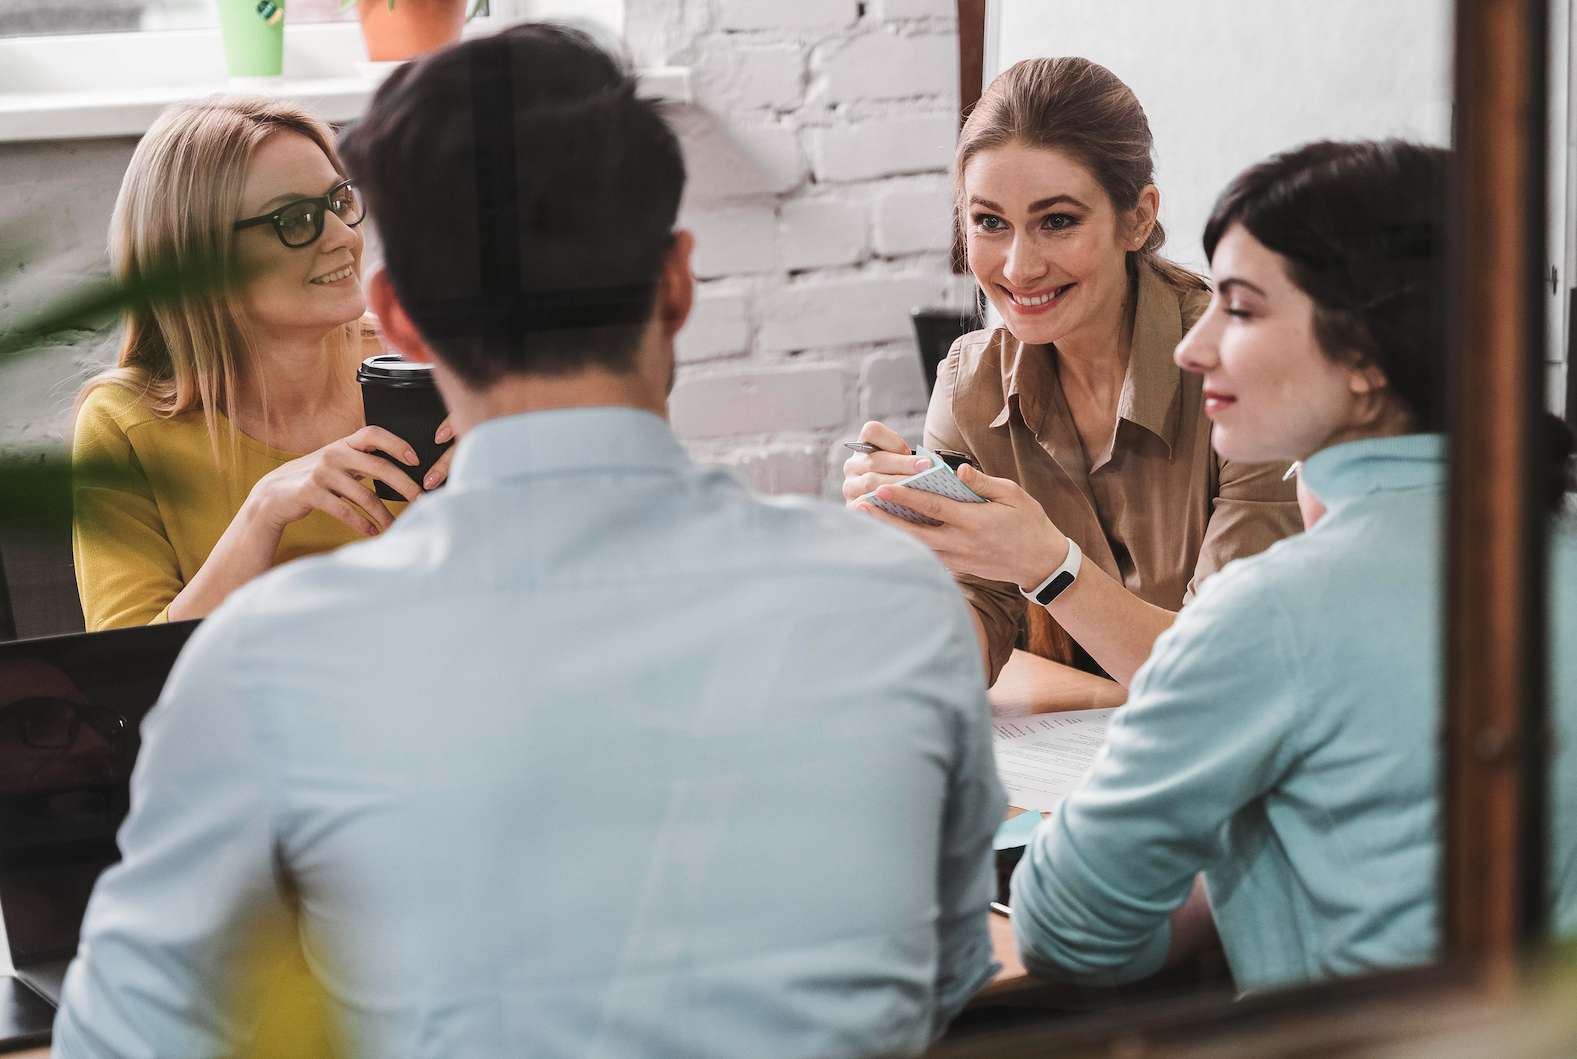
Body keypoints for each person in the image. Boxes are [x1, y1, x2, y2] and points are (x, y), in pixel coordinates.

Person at [52, 25, 1005, 1059]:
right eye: (292, 220)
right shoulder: (901, 603)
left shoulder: (260, 665)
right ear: (678, 285)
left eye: (338, 205)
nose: (330, 237)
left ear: (395, 324)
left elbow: (118, 1039)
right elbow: (950, 969)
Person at [1006, 138, 1551, 991]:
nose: (1192, 348)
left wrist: (1226, 873)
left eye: (1240, 308)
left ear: (1366, 356)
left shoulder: (1274, 612)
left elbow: (1063, 928)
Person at [844, 58, 1302, 707]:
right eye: (989, 222)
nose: (1018, 267)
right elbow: (970, 638)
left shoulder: (1245, 373)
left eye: (1056, 221)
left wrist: (1048, 566)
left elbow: (1226, 676)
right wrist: (901, 563)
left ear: (1137, 218)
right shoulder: (970, 383)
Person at [71, 96, 454, 631]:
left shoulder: (428, 360)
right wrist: (262, 514)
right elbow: (128, 667)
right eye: (295, 220)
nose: (344, 236)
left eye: (338, 200)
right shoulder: (122, 424)